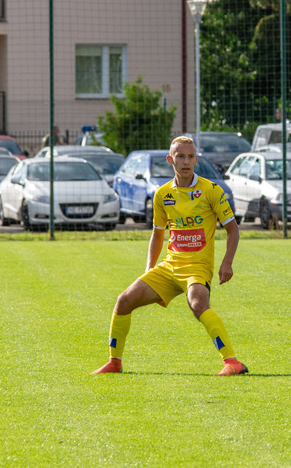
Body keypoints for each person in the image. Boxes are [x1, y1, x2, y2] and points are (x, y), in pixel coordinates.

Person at [92, 136, 247, 376]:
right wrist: (149, 270)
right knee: (124, 301)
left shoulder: (211, 190)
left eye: (190, 156)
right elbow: (157, 235)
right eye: (180, 156)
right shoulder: (162, 194)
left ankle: (232, 362)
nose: (186, 162)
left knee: (197, 303)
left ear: (196, 159)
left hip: (197, 267)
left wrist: (227, 263)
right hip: (170, 266)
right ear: (170, 160)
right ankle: (114, 363)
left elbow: (233, 229)